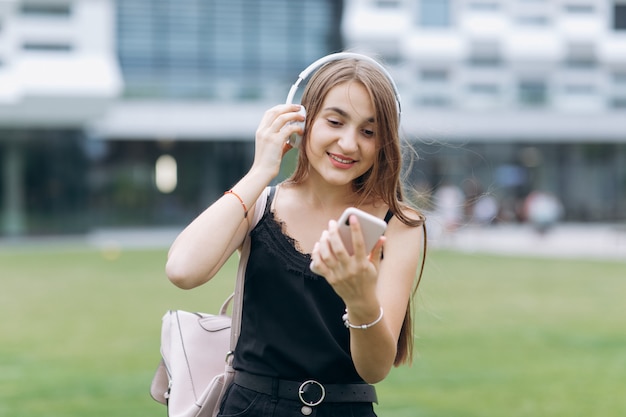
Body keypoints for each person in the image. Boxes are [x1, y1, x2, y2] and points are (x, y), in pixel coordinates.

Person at [165, 53, 426, 417]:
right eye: (335, 121)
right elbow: (182, 269)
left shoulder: (398, 223)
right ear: (302, 119)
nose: (349, 144)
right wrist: (261, 170)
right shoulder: (261, 202)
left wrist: (360, 297)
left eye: (368, 131)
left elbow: (375, 369)